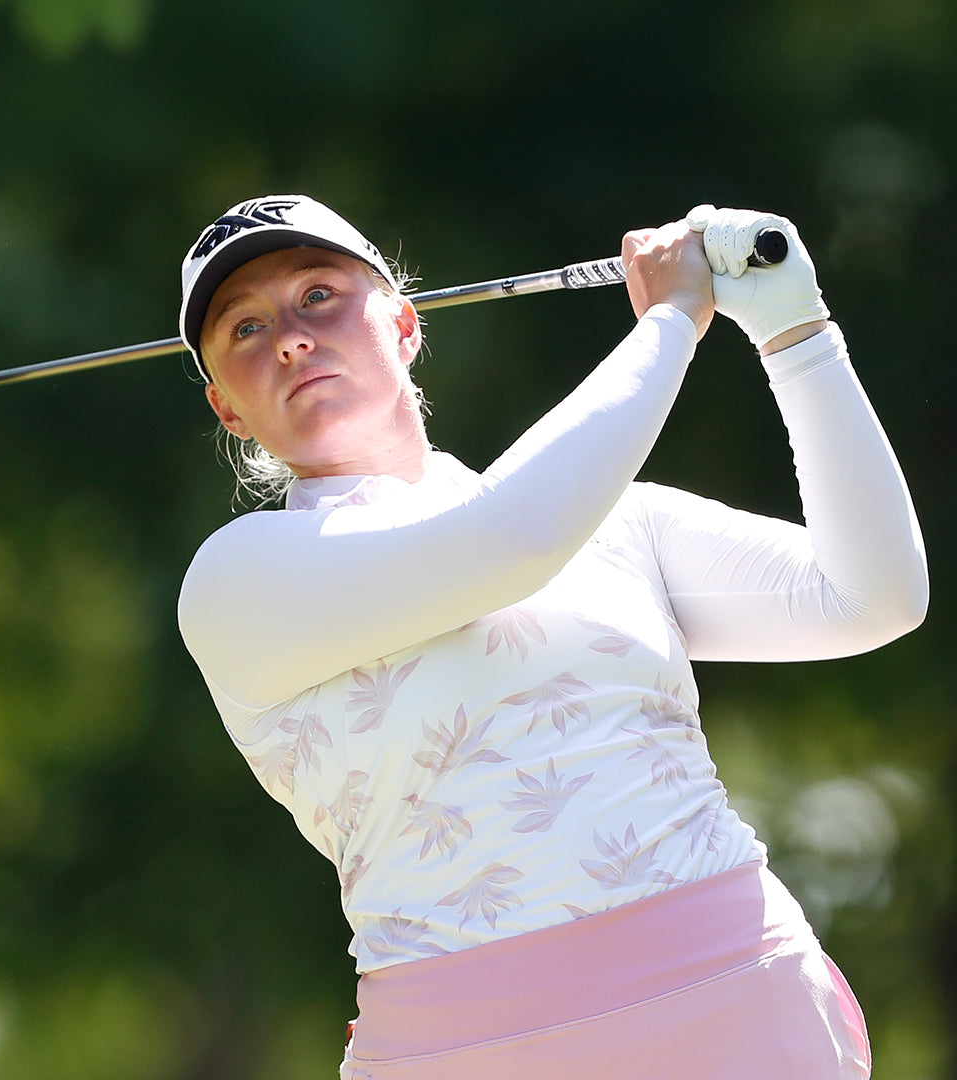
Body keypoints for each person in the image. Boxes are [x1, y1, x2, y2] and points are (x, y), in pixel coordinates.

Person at [176, 194, 927, 1079]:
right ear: (228, 409)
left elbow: (872, 597)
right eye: (246, 330)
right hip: (461, 1052)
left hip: (740, 999)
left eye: (318, 297)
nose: (292, 339)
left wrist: (797, 335)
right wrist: (673, 321)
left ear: (405, 324)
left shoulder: (611, 519)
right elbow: (510, 543)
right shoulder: (236, 579)